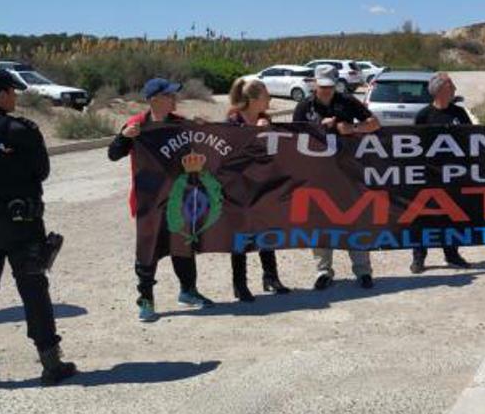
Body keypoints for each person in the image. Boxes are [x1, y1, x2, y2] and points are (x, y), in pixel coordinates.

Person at [108, 78, 214, 322]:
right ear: (155, 99)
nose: (175, 99)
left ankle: (188, 291)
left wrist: (202, 127)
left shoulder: (180, 124)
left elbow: (206, 147)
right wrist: (124, 137)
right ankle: (146, 300)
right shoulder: (137, 124)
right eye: (169, 96)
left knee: (183, 246)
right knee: (147, 251)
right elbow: (113, 154)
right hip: (148, 202)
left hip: (180, 198)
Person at [0, 69, 77, 385]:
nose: (15, 97)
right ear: (1, 94)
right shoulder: (23, 131)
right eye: (11, 92)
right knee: (34, 293)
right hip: (22, 224)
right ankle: (51, 364)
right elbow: (41, 172)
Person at [293, 65, 382, 290]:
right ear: (314, 83)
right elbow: (292, 138)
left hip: (347, 171)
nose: (325, 91)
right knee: (320, 221)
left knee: (356, 218)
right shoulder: (304, 106)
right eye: (322, 86)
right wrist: (315, 128)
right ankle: (323, 271)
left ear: (336, 84)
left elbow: (374, 123)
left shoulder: (347, 101)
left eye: (329, 86)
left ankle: (363, 271)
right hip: (317, 173)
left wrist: (352, 128)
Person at [225, 78, 291, 301]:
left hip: (262, 184)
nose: (269, 99)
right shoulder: (232, 121)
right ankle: (239, 284)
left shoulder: (266, 119)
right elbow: (231, 154)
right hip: (239, 186)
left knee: (267, 231)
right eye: (266, 95)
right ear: (253, 100)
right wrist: (254, 132)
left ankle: (271, 277)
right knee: (241, 235)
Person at [409, 73, 472, 274]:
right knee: (423, 217)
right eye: (451, 85)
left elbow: (473, 139)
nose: (454, 88)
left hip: (454, 176)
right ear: (440, 90)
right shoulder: (424, 115)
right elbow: (413, 145)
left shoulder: (459, 114)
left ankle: (452, 254)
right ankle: (419, 257)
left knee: (452, 216)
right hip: (429, 176)